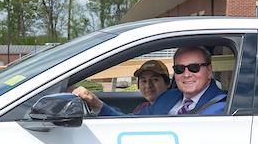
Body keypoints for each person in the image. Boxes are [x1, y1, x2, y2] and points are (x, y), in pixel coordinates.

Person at [74, 46, 227, 116]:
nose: (186, 74)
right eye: (180, 69)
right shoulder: (167, 98)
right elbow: (130, 123)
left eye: (194, 67)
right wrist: (96, 103)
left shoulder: (224, 108)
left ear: (209, 70)